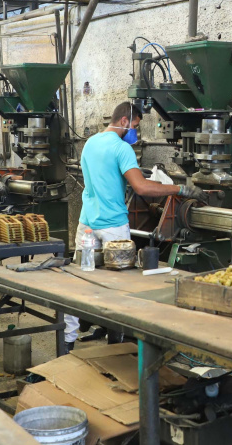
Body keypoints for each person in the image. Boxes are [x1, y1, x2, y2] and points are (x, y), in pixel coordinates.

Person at [68, 102, 204, 345]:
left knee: (80, 281)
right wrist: (181, 188)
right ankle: (116, 343)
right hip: (113, 227)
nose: (135, 132)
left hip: (87, 223)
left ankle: (67, 340)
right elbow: (141, 187)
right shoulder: (122, 149)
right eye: (135, 126)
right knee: (119, 286)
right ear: (123, 121)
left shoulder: (90, 143)